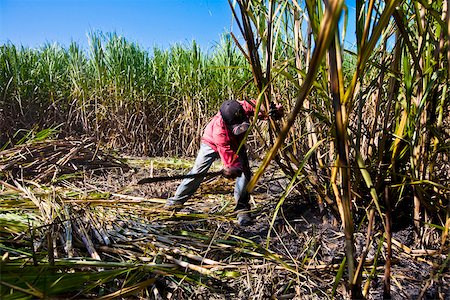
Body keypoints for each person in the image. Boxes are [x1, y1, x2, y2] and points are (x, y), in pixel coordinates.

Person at [165, 99, 283, 226]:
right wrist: (231, 169)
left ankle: (242, 208)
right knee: (197, 172)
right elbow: (230, 160)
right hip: (210, 143)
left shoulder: (245, 106)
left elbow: (262, 107)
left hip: (237, 142)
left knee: (245, 173)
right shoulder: (220, 132)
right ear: (227, 123)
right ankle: (175, 202)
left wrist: (273, 111)